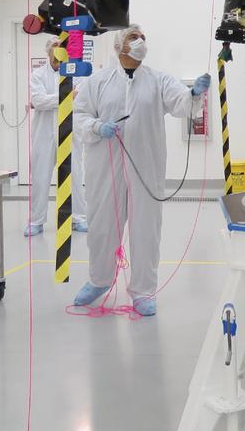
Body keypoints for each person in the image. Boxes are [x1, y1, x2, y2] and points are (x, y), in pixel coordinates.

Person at [71, 24, 211, 317]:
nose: (141, 42)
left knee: (146, 229)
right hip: (104, 166)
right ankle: (99, 280)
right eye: (134, 38)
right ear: (119, 45)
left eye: (143, 38)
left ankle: (143, 291)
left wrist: (194, 93)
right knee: (102, 225)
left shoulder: (158, 80)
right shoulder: (97, 81)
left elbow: (181, 104)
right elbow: (80, 116)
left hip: (146, 166)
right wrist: (97, 127)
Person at [25, 38, 88, 237]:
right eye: (56, 48)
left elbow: (79, 101)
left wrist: (54, 99)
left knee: (76, 175)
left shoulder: (75, 73)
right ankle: (36, 221)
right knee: (40, 176)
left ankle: (79, 218)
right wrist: (66, 96)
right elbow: (38, 101)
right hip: (44, 133)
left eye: (62, 48)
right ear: (49, 51)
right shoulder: (37, 75)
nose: (59, 51)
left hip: (70, 131)